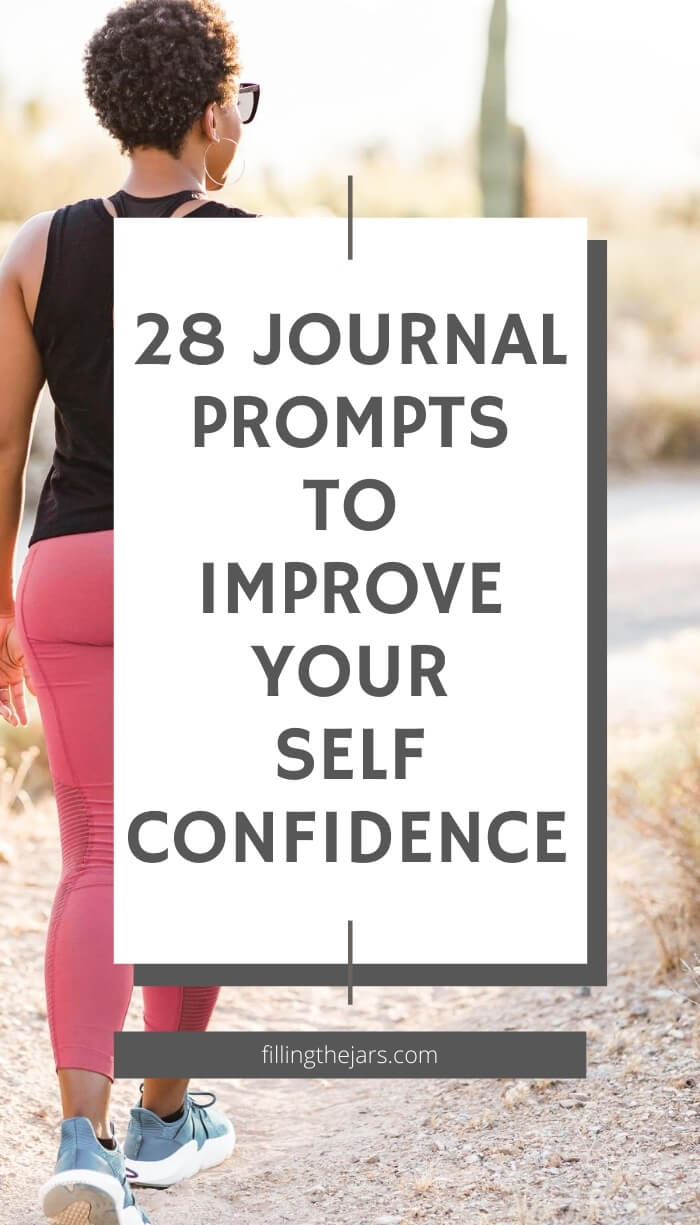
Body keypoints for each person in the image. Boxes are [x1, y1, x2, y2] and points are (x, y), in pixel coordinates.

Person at [0, 2, 260, 1220]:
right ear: (213, 109)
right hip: (204, 574)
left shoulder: (34, 249)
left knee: (98, 854)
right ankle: (164, 1116)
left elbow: (4, 444)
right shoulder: (260, 255)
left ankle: (79, 1146)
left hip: (64, 572)